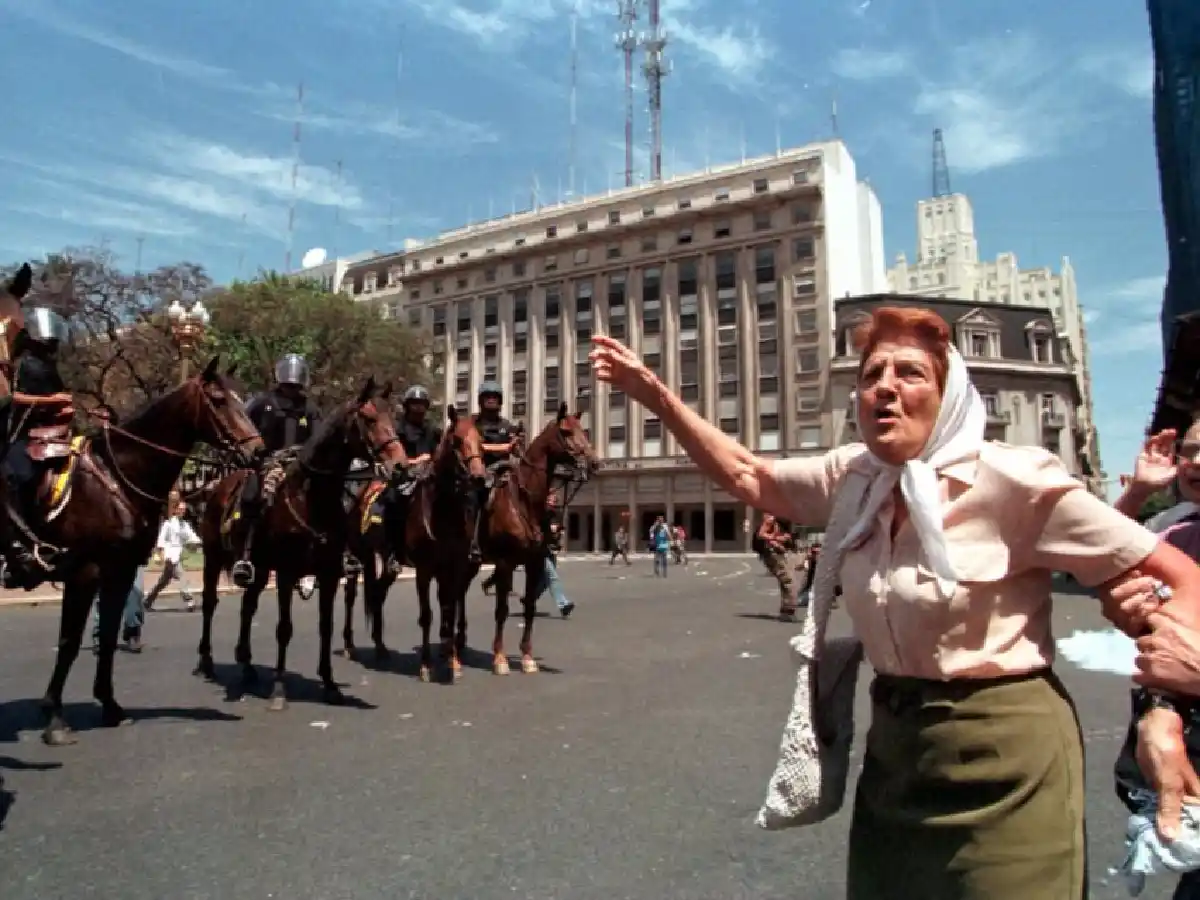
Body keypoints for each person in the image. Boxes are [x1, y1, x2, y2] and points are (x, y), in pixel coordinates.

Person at [589, 308, 1200, 899]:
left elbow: (1179, 579)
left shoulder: (1017, 479)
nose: (884, 387)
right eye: (871, 375)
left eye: (910, 373)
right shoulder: (855, 475)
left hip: (1008, 752)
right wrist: (654, 396)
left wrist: (1165, 712)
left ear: (949, 395)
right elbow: (751, 476)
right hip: (896, 749)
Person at [231, 353, 320, 587]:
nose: (292, 386)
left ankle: (323, 557)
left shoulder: (309, 408)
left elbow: (317, 439)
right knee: (251, 496)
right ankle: (245, 557)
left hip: (300, 466)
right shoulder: (262, 403)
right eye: (288, 382)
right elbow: (242, 427)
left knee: (325, 498)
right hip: (266, 463)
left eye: (296, 383)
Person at [0, 307, 73, 589]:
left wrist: (64, 409)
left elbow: (61, 398)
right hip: (21, 435)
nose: (51, 345)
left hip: (50, 435)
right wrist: (55, 401)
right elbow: (15, 398)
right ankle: (16, 546)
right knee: (16, 474)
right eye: (47, 341)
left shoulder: (48, 366)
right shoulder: (22, 365)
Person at [389, 385, 442, 571]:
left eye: (422, 404)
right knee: (393, 501)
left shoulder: (432, 430)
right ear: (407, 406)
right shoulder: (398, 429)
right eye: (414, 404)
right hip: (405, 475)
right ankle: (394, 551)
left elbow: (439, 453)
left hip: (429, 475)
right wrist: (416, 461)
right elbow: (393, 458)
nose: (418, 408)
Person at [470, 380, 518, 563]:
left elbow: (515, 450)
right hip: (481, 469)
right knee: (478, 498)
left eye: (494, 397)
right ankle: (474, 543)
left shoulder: (507, 425)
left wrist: (517, 444)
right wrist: (505, 447)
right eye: (487, 397)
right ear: (480, 401)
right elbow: (476, 447)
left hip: (505, 469)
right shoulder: (473, 424)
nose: (491, 400)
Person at [145, 497, 201, 611]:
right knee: (181, 576)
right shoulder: (168, 524)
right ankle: (189, 601)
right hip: (170, 556)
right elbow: (161, 539)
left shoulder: (185, 525)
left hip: (178, 554)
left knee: (163, 582)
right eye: (180, 509)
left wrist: (198, 542)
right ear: (175, 510)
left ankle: (147, 601)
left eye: (184, 509)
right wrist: (160, 552)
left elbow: (192, 536)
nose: (182, 511)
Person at [756, 514, 795, 618]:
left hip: (778, 553)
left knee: (785, 581)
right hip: (773, 553)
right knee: (787, 579)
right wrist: (776, 539)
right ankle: (788, 609)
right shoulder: (771, 517)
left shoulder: (782, 520)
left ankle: (786, 608)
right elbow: (761, 534)